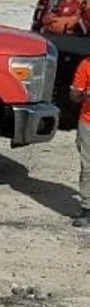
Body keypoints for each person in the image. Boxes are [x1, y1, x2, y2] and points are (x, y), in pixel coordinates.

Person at [70, 57, 90, 227]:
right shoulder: (86, 64)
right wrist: (84, 95)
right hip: (88, 122)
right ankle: (87, 209)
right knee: (88, 166)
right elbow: (74, 95)